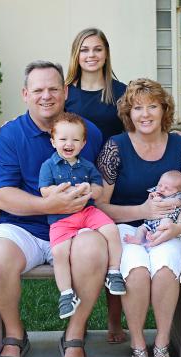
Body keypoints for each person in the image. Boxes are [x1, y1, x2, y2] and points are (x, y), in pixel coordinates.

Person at [0, 60, 106, 357]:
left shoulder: (89, 132)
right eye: (38, 90)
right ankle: (15, 335)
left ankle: (74, 335)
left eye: (53, 88)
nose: (46, 96)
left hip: (77, 225)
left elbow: (110, 166)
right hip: (25, 227)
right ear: (25, 94)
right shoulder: (10, 135)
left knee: (94, 250)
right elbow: (2, 195)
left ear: (65, 92)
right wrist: (47, 203)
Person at [96, 78, 181, 357]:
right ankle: (139, 346)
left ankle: (163, 345)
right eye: (137, 107)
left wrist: (178, 227)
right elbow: (101, 205)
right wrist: (143, 211)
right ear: (129, 112)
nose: (145, 114)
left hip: (168, 227)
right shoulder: (115, 147)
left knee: (166, 267)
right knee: (137, 270)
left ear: (163, 109)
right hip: (125, 229)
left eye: (152, 106)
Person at [65, 27, 128, 344]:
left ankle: (115, 322)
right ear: (76, 54)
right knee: (85, 251)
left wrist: (177, 135)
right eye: (84, 49)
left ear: (106, 53)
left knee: (113, 250)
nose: (91, 55)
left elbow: (143, 127)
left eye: (97, 49)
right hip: (75, 183)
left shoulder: (121, 93)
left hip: (114, 182)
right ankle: (80, 320)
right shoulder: (65, 94)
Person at [39, 112, 126, 319]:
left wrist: (89, 189)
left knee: (111, 230)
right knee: (60, 253)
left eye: (75, 140)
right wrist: (62, 192)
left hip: (87, 212)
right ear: (53, 142)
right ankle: (67, 294)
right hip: (61, 218)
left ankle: (113, 272)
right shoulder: (48, 166)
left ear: (83, 143)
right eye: (63, 139)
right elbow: (44, 191)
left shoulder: (86, 165)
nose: (69, 144)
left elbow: (99, 190)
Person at [124, 170, 181, 246]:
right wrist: (151, 197)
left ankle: (154, 236)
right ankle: (137, 239)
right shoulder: (156, 191)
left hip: (166, 218)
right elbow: (149, 203)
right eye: (160, 185)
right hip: (151, 221)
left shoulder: (178, 196)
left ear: (178, 191)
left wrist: (162, 201)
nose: (162, 189)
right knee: (141, 228)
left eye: (167, 188)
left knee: (166, 223)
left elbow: (178, 202)